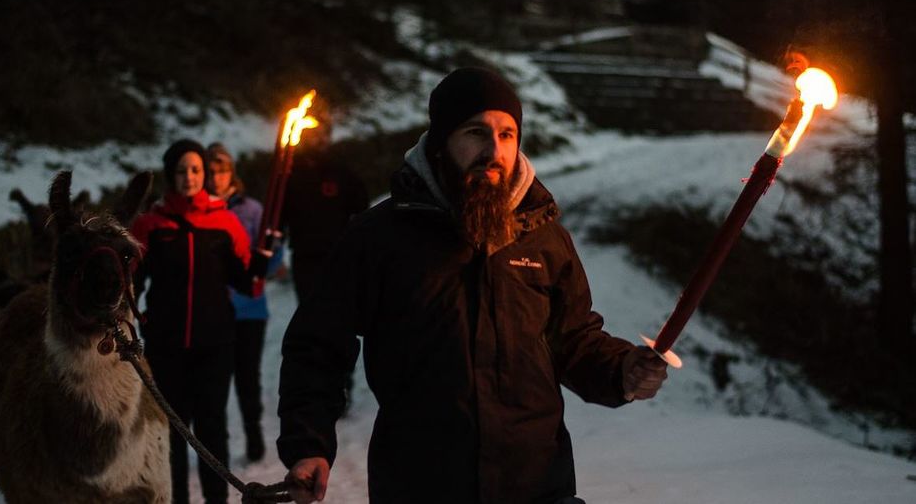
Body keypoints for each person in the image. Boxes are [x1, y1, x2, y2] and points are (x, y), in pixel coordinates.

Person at [276, 67, 669, 504]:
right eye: (476, 133)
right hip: (420, 485)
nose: (494, 150)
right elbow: (317, 345)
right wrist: (309, 444)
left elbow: (574, 340)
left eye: (506, 134)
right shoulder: (380, 238)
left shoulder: (544, 237)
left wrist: (622, 372)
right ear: (442, 143)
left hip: (537, 486)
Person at [132, 139, 267, 504]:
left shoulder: (224, 221)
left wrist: (261, 261)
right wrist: (137, 316)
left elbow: (247, 284)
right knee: (171, 434)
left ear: (204, 174)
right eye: (181, 170)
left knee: (212, 432)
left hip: (215, 346)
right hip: (165, 348)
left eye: (195, 170)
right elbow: (130, 281)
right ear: (170, 175)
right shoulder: (150, 225)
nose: (189, 177)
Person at [206, 142, 283, 462]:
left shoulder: (251, 210)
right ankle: (217, 445)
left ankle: (254, 438)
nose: (216, 177)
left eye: (222, 170)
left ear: (231, 173)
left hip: (250, 309)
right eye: (211, 171)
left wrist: (273, 247)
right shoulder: (201, 211)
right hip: (212, 311)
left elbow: (271, 263)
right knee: (215, 381)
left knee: (247, 378)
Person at [280, 108, 370, 304]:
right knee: (309, 312)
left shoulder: (342, 172)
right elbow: (278, 219)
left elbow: (362, 210)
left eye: (324, 134)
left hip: (338, 256)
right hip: (305, 257)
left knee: (340, 313)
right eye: (315, 134)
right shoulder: (289, 173)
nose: (320, 139)